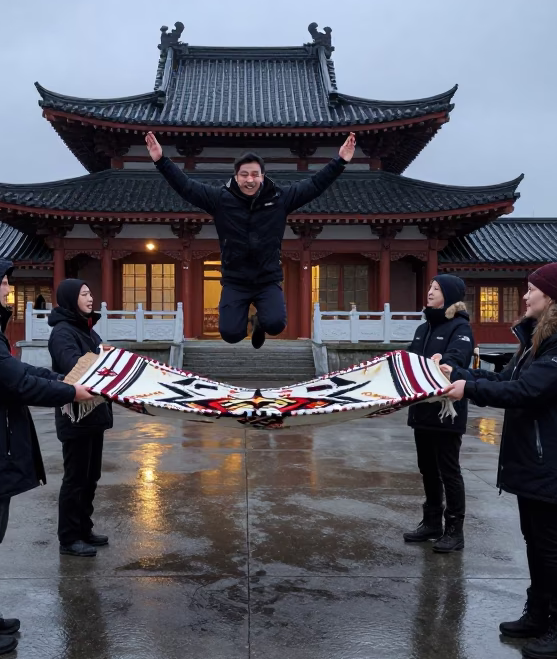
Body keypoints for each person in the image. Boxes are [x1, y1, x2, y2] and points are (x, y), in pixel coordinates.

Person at [442, 262, 557, 659]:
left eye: (531, 290)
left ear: (550, 297)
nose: (525, 296)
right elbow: (508, 379)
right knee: (536, 541)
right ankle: (539, 614)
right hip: (536, 458)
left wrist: (468, 390)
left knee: (550, 545)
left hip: (555, 460)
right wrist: (459, 373)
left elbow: (528, 391)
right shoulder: (541, 340)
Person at [0, 253, 93, 658]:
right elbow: (18, 384)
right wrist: (70, 392)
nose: (9, 287)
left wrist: (62, 380)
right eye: (4, 282)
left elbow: (21, 373)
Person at [144, 130, 356, 347]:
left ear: (262, 176)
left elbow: (314, 185)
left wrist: (340, 161)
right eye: (244, 174)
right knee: (230, 334)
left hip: (267, 279)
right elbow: (186, 187)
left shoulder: (279, 199)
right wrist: (161, 161)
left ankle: (260, 322)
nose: (250, 179)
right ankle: (248, 320)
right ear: (236, 176)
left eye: (255, 174)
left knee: (275, 324)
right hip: (235, 281)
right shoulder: (220, 200)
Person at [403, 275, 474, 553]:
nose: (429, 292)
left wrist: (443, 364)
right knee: (427, 469)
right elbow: (410, 361)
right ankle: (432, 522)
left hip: (447, 412)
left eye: (436, 288)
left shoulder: (460, 327)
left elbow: (458, 358)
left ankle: (455, 530)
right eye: (430, 287)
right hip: (422, 411)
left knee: (449, 471)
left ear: (450, 296)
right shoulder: (423, 328)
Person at [48, 278, 114, 557]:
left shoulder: (87, 329)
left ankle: (84, 528)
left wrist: (106, 355)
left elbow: (97, 360)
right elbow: (74, 366)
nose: (90, 298)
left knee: (91, 476)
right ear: (70, 298)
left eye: (91, 292)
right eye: (84, 294)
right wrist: (101, 357)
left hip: (94, 413)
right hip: (75, 415)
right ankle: (68, 538)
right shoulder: (63, 333)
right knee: (75, 478)